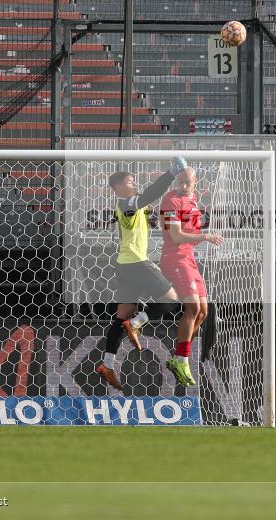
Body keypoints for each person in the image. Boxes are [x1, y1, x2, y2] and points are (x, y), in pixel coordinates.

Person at [96, 157, 188, 390]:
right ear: (117, 187)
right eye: (128, 181)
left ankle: (107, 363)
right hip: (136, 263)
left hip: (124, 266)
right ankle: (138, 322)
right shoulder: (126, 204)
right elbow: (150, 194)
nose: (133, 183)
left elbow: (149, 205)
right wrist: (169, 173)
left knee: (121, 316)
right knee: (171, 300)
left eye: (133, 180)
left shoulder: (134, 206)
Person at [159, 167, 224, 387]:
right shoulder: (170, 200)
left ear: (196, 181)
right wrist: (205, 236)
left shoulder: (193, 200)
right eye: (180, 182)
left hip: (189, 259)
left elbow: (189, 236)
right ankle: (182, 359)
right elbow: (176, 235)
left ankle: (179, 357)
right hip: (174, 259)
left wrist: (199, 237)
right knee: (193, 308)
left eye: (187, 182)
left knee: (204, 312)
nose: (183, 186)